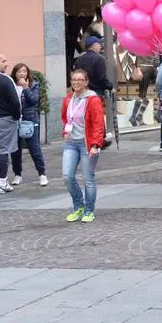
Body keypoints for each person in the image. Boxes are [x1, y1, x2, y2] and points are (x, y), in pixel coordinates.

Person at [61, 69, 105, 221]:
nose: (76, 82)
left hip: (87, 144)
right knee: (67, 176)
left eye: (80, 80)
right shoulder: (68, 99)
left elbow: (99, 124)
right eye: (74, 80)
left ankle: (89, 210)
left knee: (88, 178)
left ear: (86, 82)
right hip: (71, 143)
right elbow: (65, 118)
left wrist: (96, 144)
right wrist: (65, 130)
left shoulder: (93, 100)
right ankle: (78, 205)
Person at [0, 53, 22, 195]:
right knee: (2, 151)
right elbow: (15, 102)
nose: (6, 63)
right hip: (4, 120)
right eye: (3, 61)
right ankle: (2, 183)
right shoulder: (5, 79)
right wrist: (15, 116)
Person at [10, 63, 47, 187]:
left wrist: (26, 87)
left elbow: (33, 101)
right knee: (15, 150)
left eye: (24, 71)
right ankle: (17, 175)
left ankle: (42, 174)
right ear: (15, 73)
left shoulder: (34, 85)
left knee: (34, 148)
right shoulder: (11, 85)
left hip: (30, 120)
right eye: (19, 72)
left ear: (28, 73)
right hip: (14, 121)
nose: (22, 74)